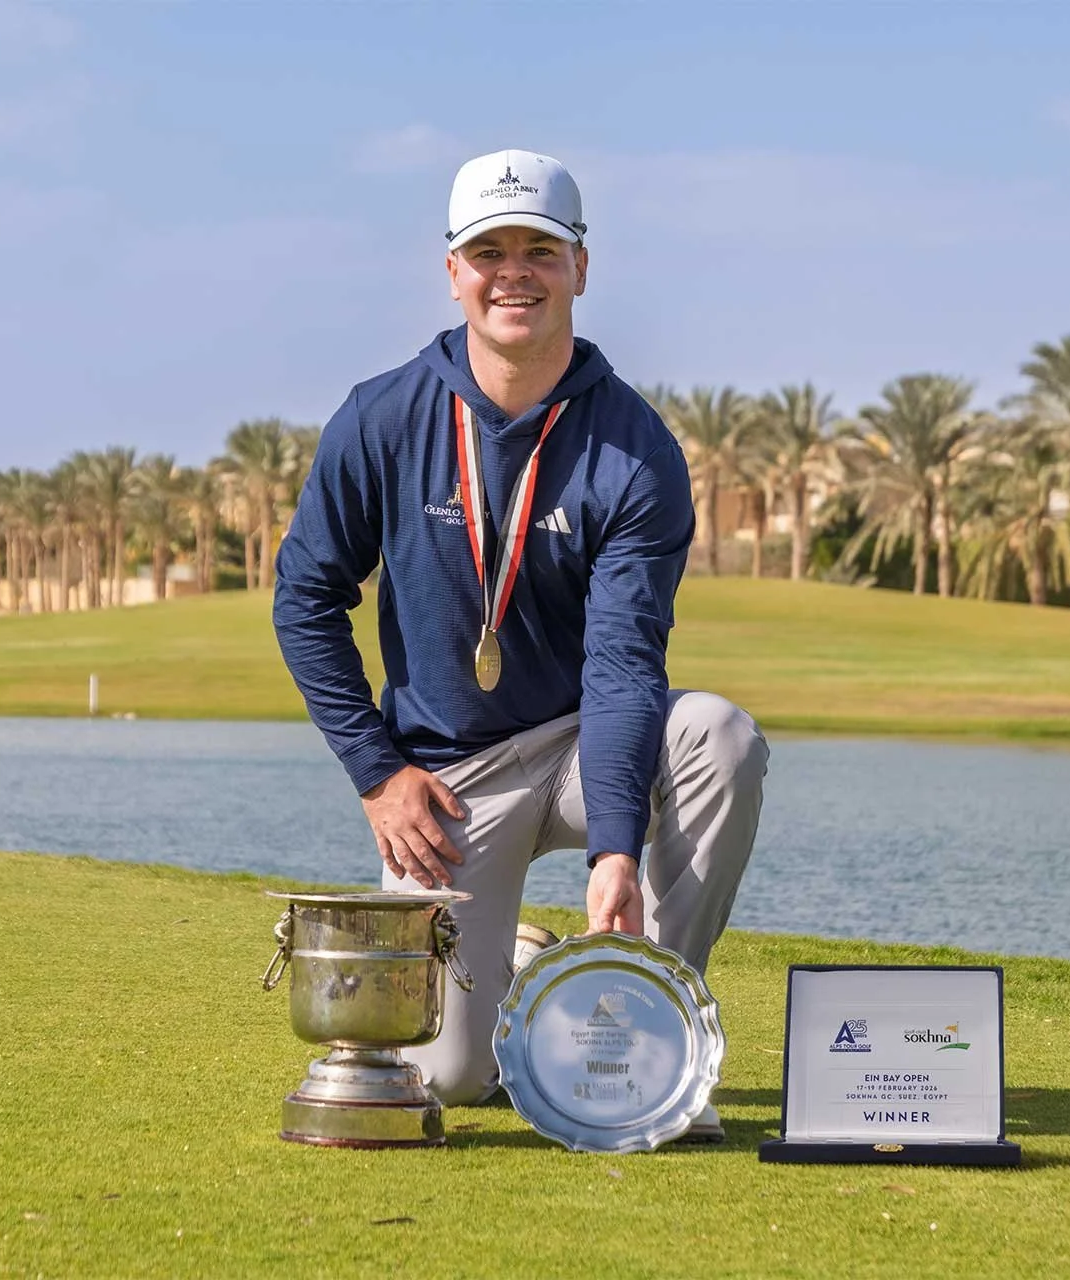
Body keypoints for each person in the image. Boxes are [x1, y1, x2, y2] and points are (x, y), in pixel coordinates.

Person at [273, 149, 768, 1138]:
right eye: (487, 250)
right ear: (450, 271)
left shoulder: (635, 447)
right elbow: (305, 598)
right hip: (451, 782)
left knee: (719, 735)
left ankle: (647, 1023)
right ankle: (525, 965)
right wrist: (379, 772)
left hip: (589, 741)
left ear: (581, 266)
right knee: (449, 1075)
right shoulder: (382, 418)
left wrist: (618, 846)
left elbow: (626, 665)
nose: (514, 272)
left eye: (539, 248)